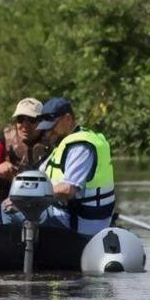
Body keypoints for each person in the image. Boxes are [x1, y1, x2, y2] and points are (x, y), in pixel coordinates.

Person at [31, 96, 116, 237]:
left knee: (10, 217)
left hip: (77, 223)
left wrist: (31, 197)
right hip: (62, 213)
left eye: (51, 127)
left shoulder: (80, 146)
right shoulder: (64, 143)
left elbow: (68, 189)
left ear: (68, 119)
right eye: (45, 128)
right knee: (4, 210)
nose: (48, 132)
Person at [0, 97, 48, 225]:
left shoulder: (52, 140)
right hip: (6, 202)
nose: (25, 125)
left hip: (44, 207)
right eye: (21, 119)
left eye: (32, 120)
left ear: (42, 121)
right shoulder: (5, 138)